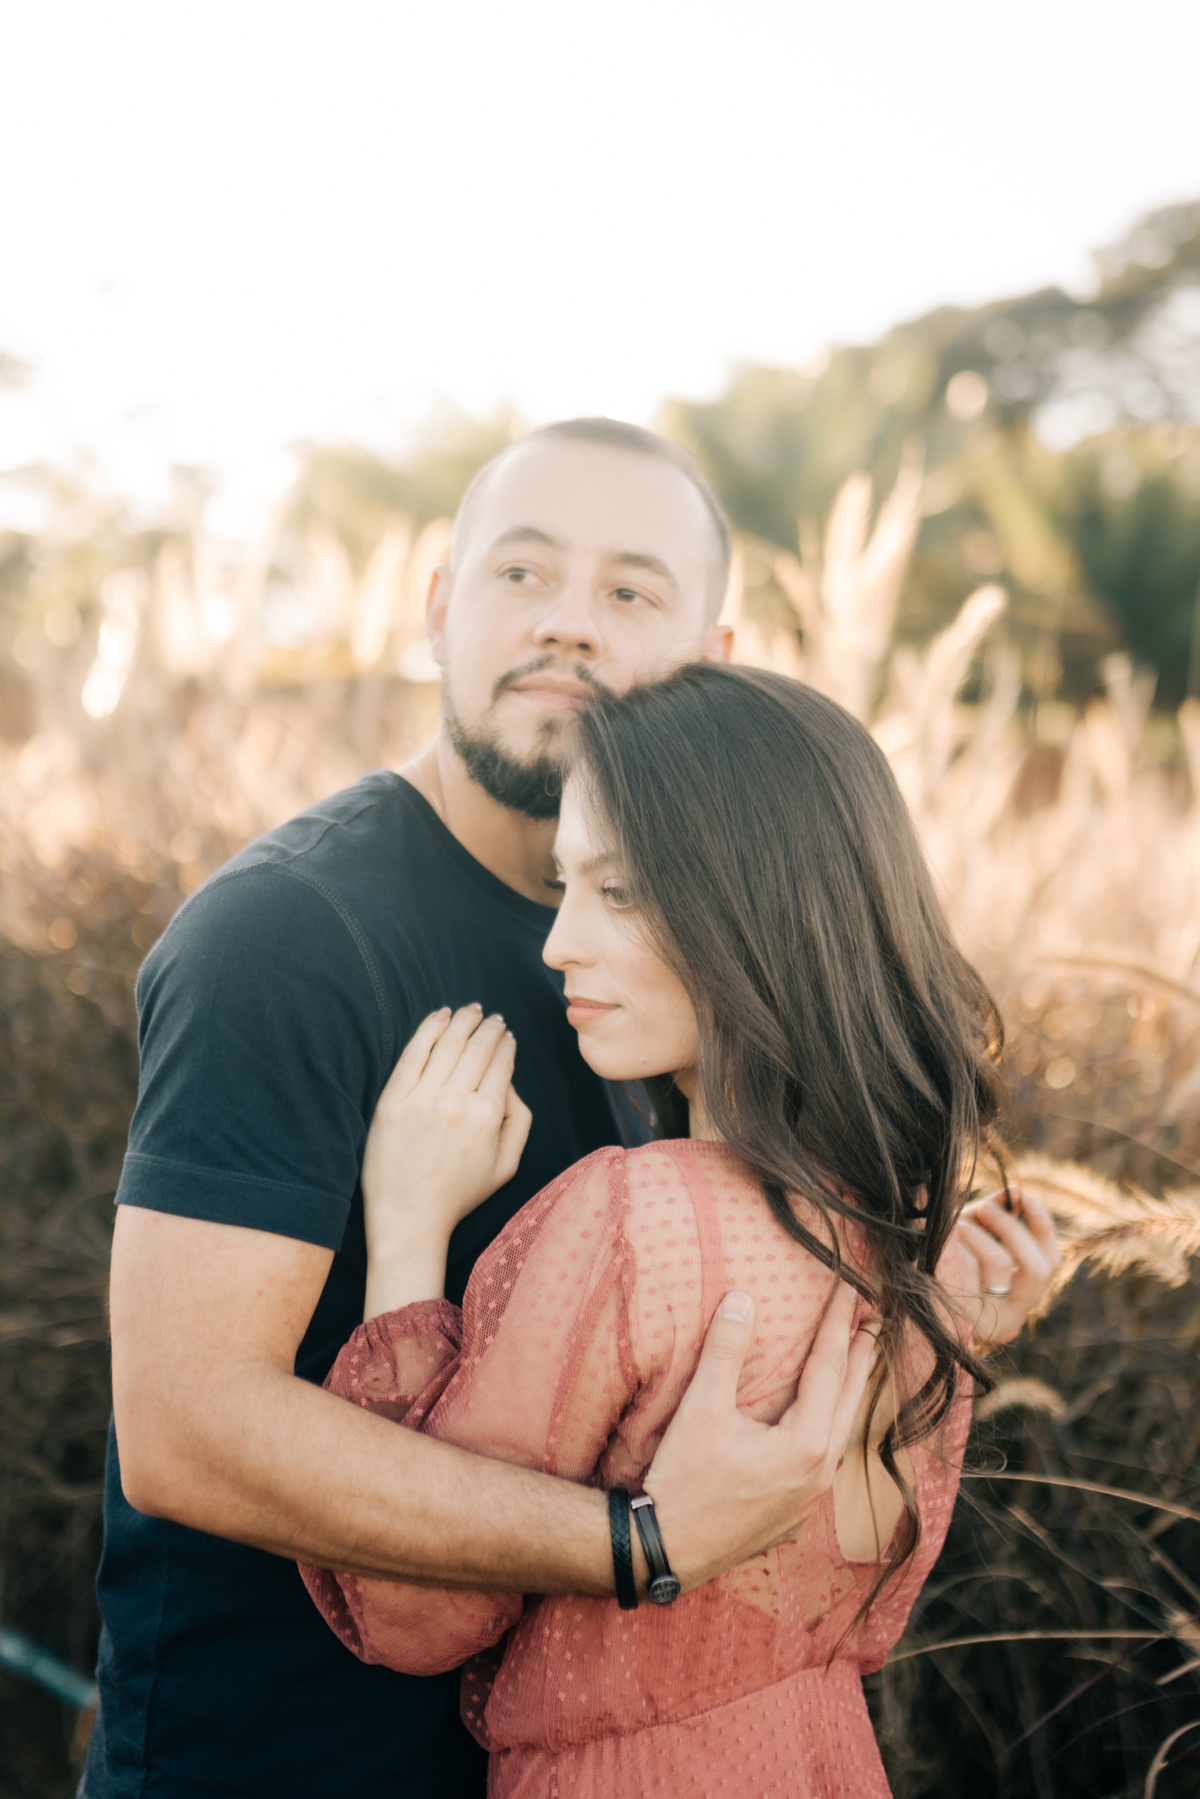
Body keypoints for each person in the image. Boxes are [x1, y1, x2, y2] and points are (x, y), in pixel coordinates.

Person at [87, 420, 892, 1799]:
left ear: (712, 654)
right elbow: (186, 1422)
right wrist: (638, 1537)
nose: (568, 625)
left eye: (630, 591)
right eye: (522, 574)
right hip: (285, 1761)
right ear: (440, 606)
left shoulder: (710, 960)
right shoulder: (288, 937)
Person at [303, 664, 1062, 1797]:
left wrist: (405, 1229)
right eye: (566, 886)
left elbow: (416, 1609)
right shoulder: (903, 1247)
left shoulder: (632, 1219)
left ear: (756, 902)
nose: (559, 943)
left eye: (620, 891)